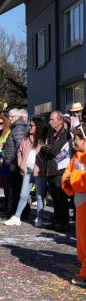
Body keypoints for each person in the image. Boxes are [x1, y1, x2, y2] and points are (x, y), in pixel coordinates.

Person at [5, 118, 45, 226]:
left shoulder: (42, 140)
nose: (29, 127)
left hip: (39, 172)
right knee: (23, 195)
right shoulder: (26, 139)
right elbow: (19, 151)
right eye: (30, 125)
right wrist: (20, 163)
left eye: (32, 126)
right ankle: (17, 217)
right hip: (27, 171)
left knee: (40, 196)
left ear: (38, 127)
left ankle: (39, 219)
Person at [62, 122, 86, 287]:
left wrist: (73, 178)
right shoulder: (76, 157)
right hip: (80, 202)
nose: (73, 143)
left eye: (75, 139)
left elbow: (77, 177)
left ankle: (84, 274)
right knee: (81, 239)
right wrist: (69, 180)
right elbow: (67, 174)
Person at [41, 111, 72, 231]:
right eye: (49, 119)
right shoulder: (52, 134)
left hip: (60, 170)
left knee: (61, 198)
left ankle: (63, 223)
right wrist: (46, 148)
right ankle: (58, 220)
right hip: (51, 169)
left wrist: (44, 148)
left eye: (52, 119)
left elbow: (55, 150)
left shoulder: (65, 134)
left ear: (60, 121)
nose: (50, 122)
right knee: (55, 198)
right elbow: (48, 147)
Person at [4, 109, 28, 218]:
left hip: (16, 165)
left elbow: (20, 148)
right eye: (9, 116)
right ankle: (16, 212)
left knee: (17, 189)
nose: (9, 118)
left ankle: (18, 213)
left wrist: (15, 163)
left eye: (11, 116)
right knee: (16, 189)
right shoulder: (16, 128)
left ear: (17, 117)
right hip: (13, 164)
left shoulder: (18, 129)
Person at [0, 115, 12, 211]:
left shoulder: (8, 133)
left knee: (7, 185)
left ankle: (9, 206)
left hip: (5, 163)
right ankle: (6, 205)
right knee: (4, 185)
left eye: (1, 123)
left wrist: (3, 159)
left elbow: (8, 149)